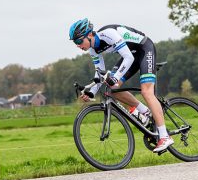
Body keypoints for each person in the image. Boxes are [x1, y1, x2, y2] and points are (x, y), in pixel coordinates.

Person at [69, 18, 174, 153]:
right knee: (112, 88)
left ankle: (165, 136)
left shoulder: (108, 34)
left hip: (144, 49)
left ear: (89, 35)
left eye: (78, 41)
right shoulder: (93, 50)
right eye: (75, 43)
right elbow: (99, 74)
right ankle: (146, 112)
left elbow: (128, 58)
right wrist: (91, 92)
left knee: (147, 92)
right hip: (131, 55)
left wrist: (115, 77)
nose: (78, 45)